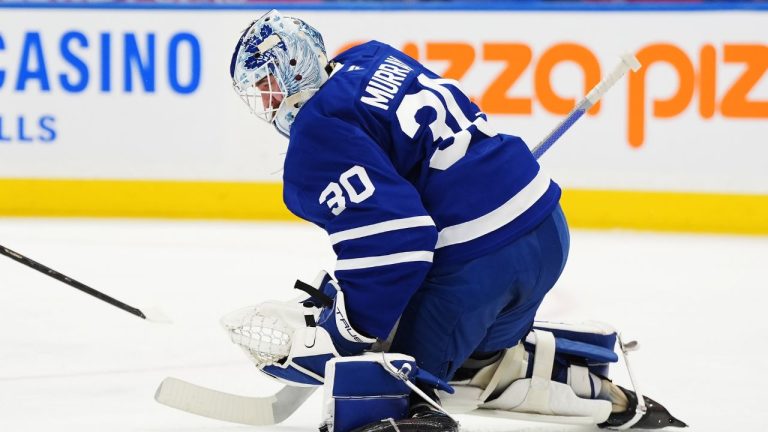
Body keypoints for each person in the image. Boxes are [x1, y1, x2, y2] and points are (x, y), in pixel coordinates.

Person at [226, 10, 685, 432]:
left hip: (480, 268)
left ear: (293, 71)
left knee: (389, 395)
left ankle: (423, 406)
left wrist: (348, 329)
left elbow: (398, 245)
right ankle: (578, 387)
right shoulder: (371, 57)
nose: (266, 102)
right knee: (470, 366)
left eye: (267, 85)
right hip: (546, 232)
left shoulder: (316, 133)